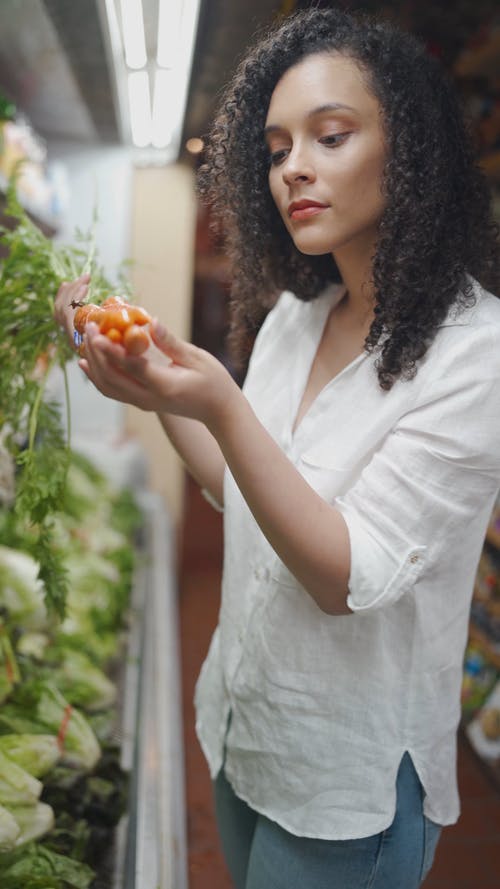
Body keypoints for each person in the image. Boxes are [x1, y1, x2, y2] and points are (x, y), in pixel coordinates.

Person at [55, 7, 500, 888]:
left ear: (407, 152)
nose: (292, 166)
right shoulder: (300, 318)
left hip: (346, 785)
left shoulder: (476, 353)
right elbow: (242, 484)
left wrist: (217, 399)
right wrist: (151, 390)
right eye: (275, 147)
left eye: (329, 136)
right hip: (243, 725)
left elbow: (343, 575)